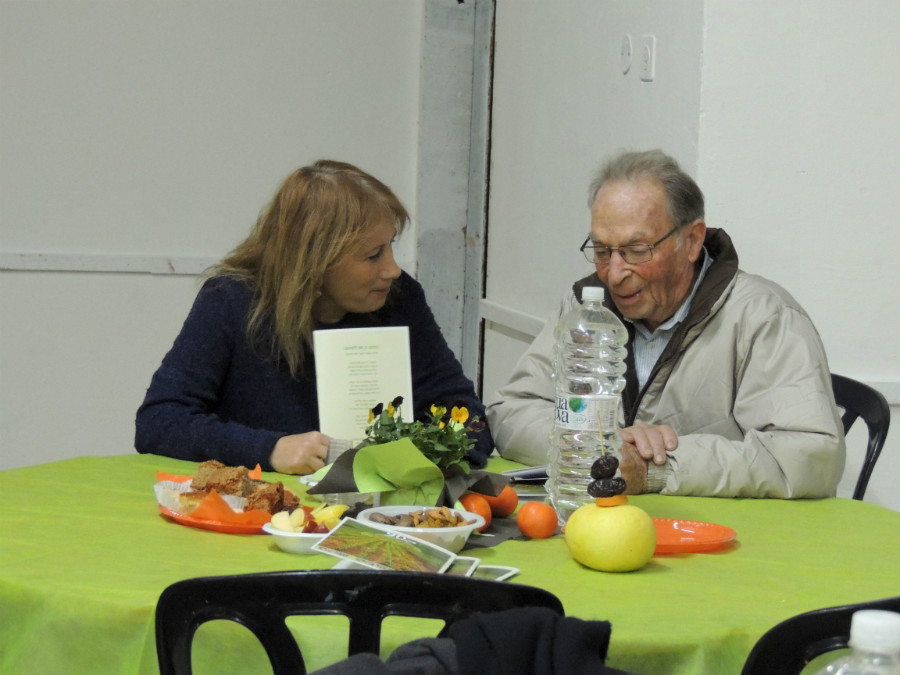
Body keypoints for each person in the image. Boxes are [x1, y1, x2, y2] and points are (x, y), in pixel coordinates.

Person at [487, 149, 845, 498]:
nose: (614, 273)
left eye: (636, 251)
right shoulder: (585, 307)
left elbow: (810, 456)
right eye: (601, 250)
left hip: (731, 539)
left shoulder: (763, 318)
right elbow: (511, 413)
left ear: (691, 241)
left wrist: (660, 467)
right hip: (605, 528)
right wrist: (604, 447)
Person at [136, 160, 493, 474]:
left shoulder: (400, 301)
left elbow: (466, 415)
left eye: (391, 247)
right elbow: (159, 421)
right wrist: (269, 450)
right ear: (316, 262)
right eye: (373, 256)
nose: (392, 270)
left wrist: (422, 459)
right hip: (258, 516)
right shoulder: (231, 300)